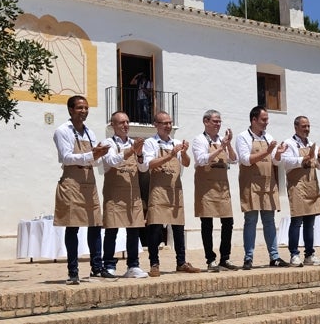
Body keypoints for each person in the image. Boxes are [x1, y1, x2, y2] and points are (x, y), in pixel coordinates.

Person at [53, 95, 109, 285]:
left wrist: (100, 155)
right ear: (70, 110)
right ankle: (73, 271)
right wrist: (91, 154)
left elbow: (95, 161)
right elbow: (66, 157)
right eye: (79, 108)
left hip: (89, 182)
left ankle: (97, 267)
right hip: (72, 183)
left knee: (95, 225)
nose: (84, 111)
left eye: (86, 108)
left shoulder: (90, 133)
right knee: (72, 226)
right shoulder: (62, 131)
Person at [142, 111, 200, 277]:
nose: (168, 126)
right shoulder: (150, 143)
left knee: (178, 227)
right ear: (156, 125)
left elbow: (187, 164)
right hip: (159, 190)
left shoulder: (176, 142)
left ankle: (181, 262)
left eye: (170, 123)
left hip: (175, 189)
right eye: (164, 123)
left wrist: (184, 152)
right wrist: (170, 155)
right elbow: (149, 164)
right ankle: (154, 263)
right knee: (155, 227)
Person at [236, 106, 289, 270]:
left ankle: (275, 257)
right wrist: (268, 151)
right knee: (250, 221)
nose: (267, 122)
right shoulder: (242, 137)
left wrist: (279, 153)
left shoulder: (269, 137)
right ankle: (248, 258)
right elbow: (245, 160)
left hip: (268, 184)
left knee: (269, 221)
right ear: (254, 120)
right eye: (264, 119)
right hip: (250, 184)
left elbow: (276, 162)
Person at [100, 111, 149, 278]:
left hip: (132, 193)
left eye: (127, 122)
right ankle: (108, 264)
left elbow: (143, 168)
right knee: (111, 230)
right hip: (114, 193)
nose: (126, 125)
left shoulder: (135, 144)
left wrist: (140, 153)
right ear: (112, 125)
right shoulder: (107, 143)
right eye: (121, 123)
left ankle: (133, 265)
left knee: (134, 231)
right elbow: (112, 161)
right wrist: (130, 151)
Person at [192, 110, 240, 272]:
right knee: (207, 224)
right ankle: (210, 260)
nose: (218, 124)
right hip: (206, 189)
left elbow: (234, 160)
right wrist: (220, 148)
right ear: (205, 121)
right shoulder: (199, 140)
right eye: (215, 121)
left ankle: (225, 258)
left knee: (228, 223)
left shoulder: (222, 140)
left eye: (219, 121)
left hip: (222, 188)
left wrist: (228, 145)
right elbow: (201, 159)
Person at [280, 116, 320, 267]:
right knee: (296, 222)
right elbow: (286, 162)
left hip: (312, 186)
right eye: (304, 126)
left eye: (308, 126)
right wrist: (303, 159)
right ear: (296, 127)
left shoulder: (312, 143)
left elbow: (319, 166)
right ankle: (294, 254)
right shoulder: (289, 143)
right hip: (298, 187)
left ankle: (309, 254)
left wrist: (319, 156)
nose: (307, 129)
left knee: (310, 223)